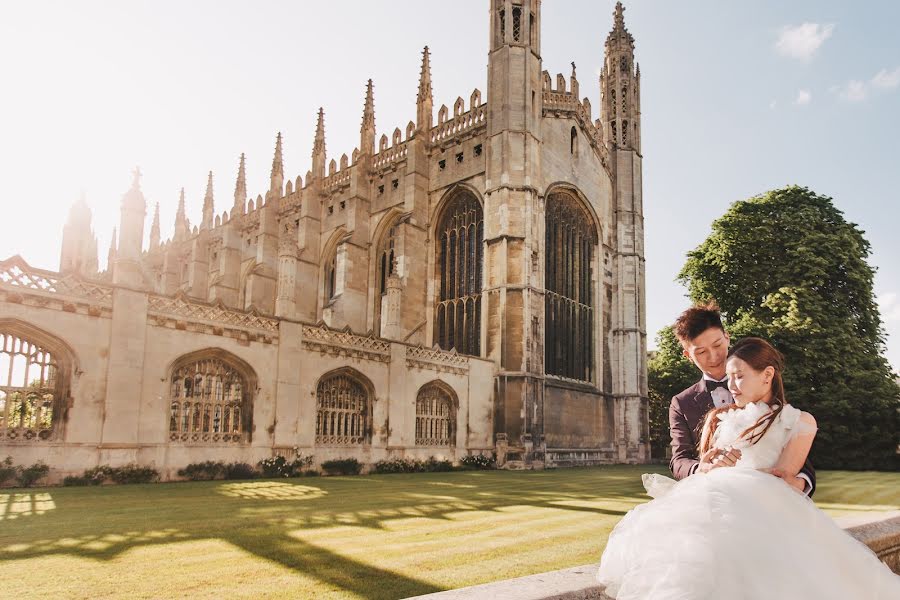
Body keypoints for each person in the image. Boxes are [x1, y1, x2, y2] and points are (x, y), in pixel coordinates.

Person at [597, 337, 900, 599]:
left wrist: (762, 480)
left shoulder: (796, 421)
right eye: (729, 377)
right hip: (711, 510)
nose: (731, 385)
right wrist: (710, 464)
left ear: (767, 375)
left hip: (764, 520)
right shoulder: (720, 417)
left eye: (739, 376)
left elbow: (781, 480)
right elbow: (699, 464)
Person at [668, 302, 815, 494]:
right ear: (688, 355)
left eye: (717, 345)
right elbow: (679, 459)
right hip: (713, 496)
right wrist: (701, 468)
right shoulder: (681, 403)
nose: (714, 357)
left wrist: (801, 482)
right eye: (702, 352)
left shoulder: (762, 375)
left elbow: (792, 438)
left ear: (727, 337)